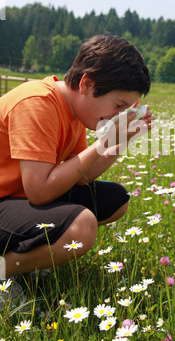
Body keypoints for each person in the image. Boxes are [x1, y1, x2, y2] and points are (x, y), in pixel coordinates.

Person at [0, 34, 153, 291]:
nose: (119, 115)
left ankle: (25, 262)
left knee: (115, 199)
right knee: (81, 226)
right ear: (87, 84)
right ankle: (4, 272)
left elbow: (81, 176)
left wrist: (122, 141)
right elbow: (39, 192)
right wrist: (103, 143)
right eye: (118, 105)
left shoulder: (73, 111)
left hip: (13, 198)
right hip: (10, 198)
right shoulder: (37, 102)